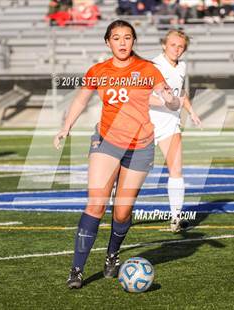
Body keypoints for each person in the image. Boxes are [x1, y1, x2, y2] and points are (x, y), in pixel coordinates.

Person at [53, 19, 180, 289]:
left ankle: (112, 254)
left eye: (127, 38)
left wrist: (171, 99)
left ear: (134, 41)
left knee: (122, 213)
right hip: (106, 142)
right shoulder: (98, 70)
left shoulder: (148, 70)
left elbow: (171, 100)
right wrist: (66, 127)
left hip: (140, 145)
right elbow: (80, 99)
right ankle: (77, 270)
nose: (122, 43)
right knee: (96, 204)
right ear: (107, 42)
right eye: (116, 38)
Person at [149, 30, 201, 232]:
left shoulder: (182, 66)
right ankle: (115, 205)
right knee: (133, 172)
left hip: (170, 123)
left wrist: (191, 112)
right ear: (164, 45)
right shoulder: (153, 66)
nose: (177, 49)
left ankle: (176, 218)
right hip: (146, 122)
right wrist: (166, 101)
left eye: (181, 46)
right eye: (173, 45)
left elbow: (181, 94)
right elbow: (142, 96)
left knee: (176, 170)